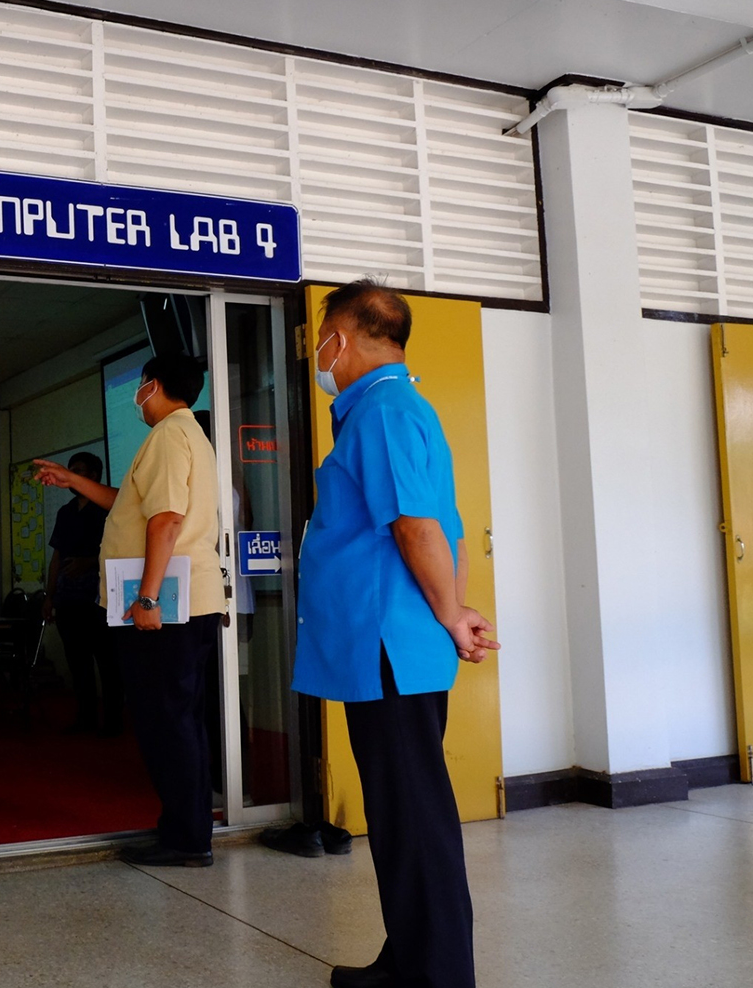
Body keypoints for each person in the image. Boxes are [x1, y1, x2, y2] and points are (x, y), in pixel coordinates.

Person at [293, 279, 499, 988]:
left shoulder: (380, 410)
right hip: (396, 649)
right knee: (404, 812)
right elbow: (449, 529)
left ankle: (437, 975)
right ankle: (411, 960)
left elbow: (416, 527)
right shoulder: (408, 408)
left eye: (320, 339)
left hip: (385, 649)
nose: (317, 354)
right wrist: (456, 608)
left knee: (414, 818)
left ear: (341, 339)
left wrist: (449, 614)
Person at [34, 354, 224, 868]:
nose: (136, 395)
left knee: (168, 721)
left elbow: (164, 520)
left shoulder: (167, 436)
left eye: (139, 385)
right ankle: (187, 829)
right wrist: (74, 483)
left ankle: (186, 838)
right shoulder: (188, 435)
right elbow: (130, 504)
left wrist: (147, 598)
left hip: (166, 610)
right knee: (181, 719)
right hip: (188, 606)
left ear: (153, 386)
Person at [43, 451, 122, 735]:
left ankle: (114, 721)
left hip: (101, 598)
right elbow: (57, 555)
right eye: (71, 470)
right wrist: (49, 596)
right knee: (78, 663)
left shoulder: (110, 507)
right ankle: (85, 718)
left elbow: (123, 549)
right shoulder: (65, 512)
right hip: (68, 598)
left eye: (79, 471)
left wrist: (88, 562)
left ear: (94, 477)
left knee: (108, 662)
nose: (73, 475)